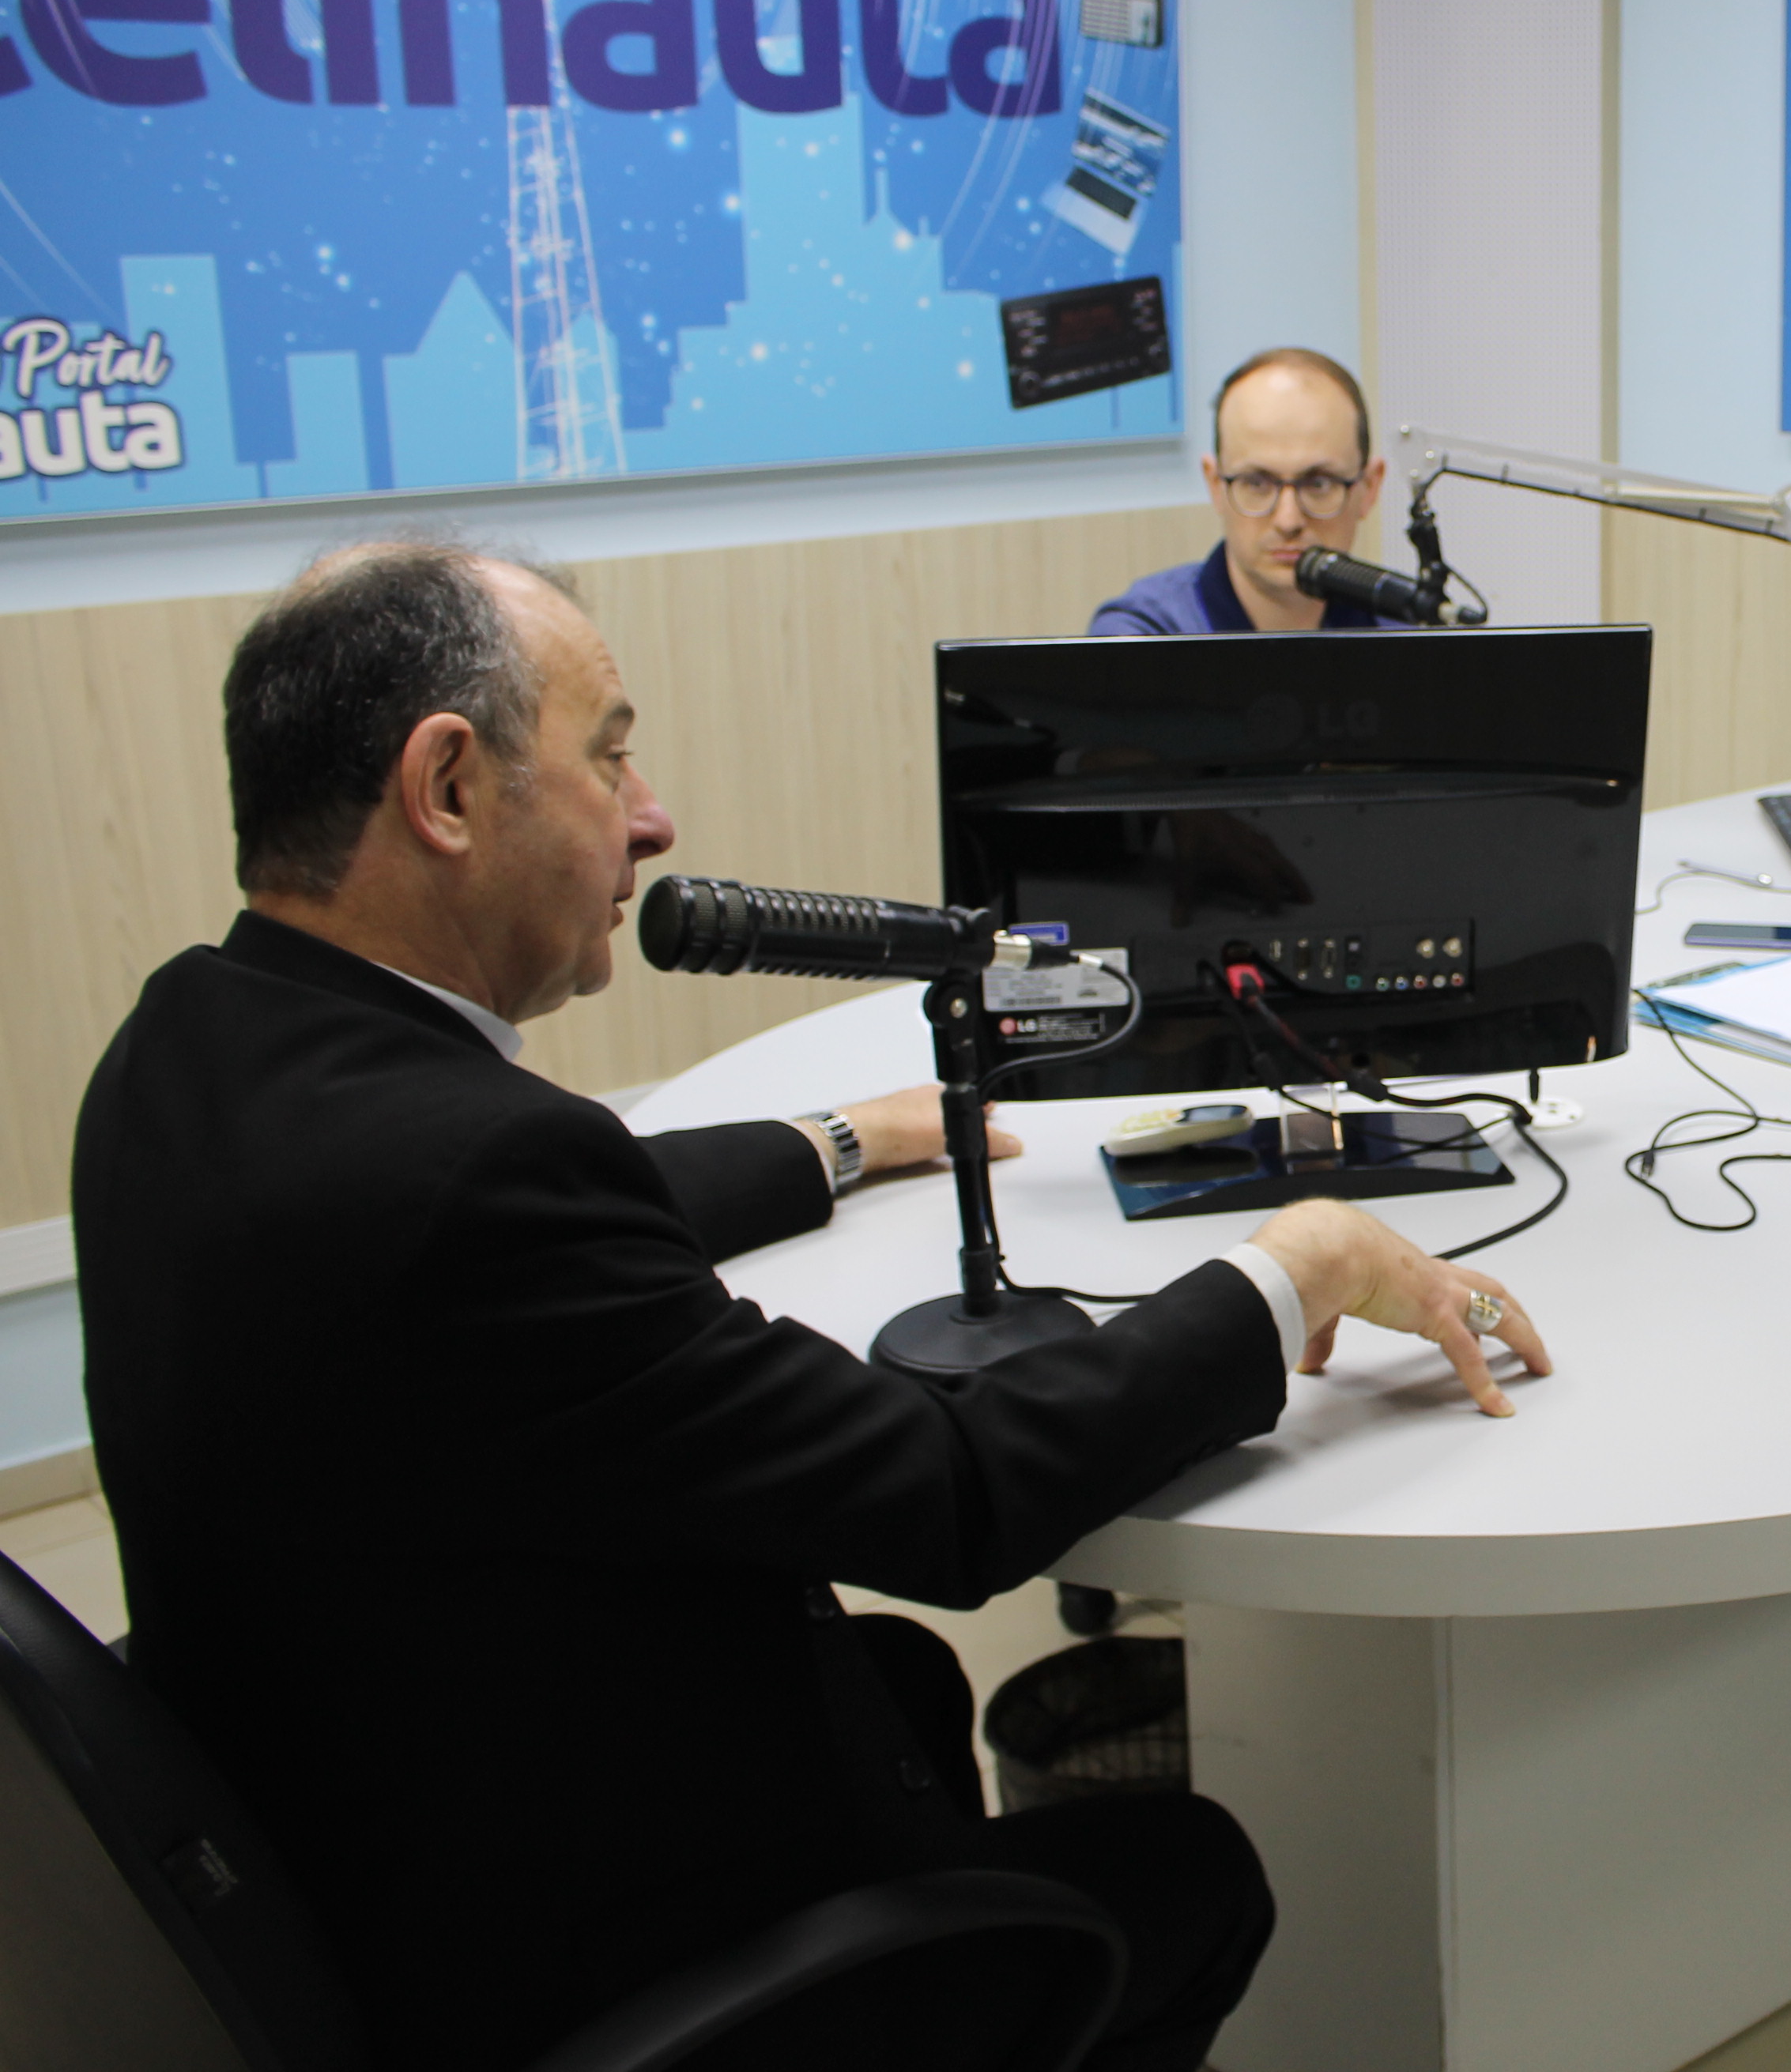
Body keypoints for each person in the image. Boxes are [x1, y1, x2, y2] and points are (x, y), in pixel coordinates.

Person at [74, 536, 1551, 2072]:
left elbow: (561, 1207)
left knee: (901, 1686)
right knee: (1190, 1871)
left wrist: (843, 1138)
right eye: (610, 756)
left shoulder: (191, 1047)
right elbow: (947, 1490)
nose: (653, 817)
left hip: (352, 1836)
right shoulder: (480, 1181)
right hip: (560, 1958)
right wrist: (1292, 1269)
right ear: (447, 786)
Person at [1090, 348, 1406, 634]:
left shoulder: (1410, 630)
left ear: (1369, 488)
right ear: (1215, 484)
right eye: (1257, 483)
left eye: (1319, 484)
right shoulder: (1143, 636)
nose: (1288, 521)